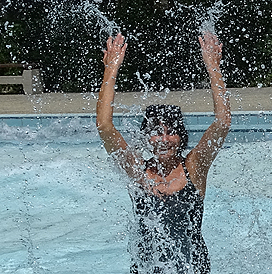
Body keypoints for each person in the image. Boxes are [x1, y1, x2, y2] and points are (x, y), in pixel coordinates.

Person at [96, 32, 230, 273]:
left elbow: (222, 123)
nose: (164, 139)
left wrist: (214, 68)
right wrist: (111, 69)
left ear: (181, 137)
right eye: (157, 132)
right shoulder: (137, 171)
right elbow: (104, 127)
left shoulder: (194, 168)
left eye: (172, 132)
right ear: (147, 136)